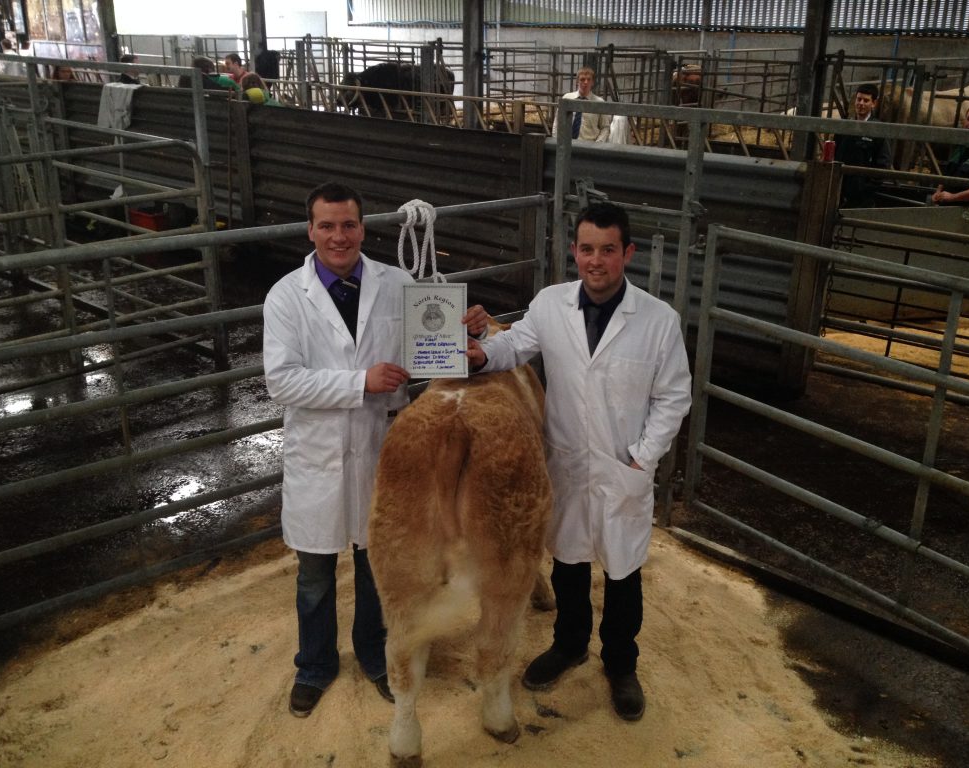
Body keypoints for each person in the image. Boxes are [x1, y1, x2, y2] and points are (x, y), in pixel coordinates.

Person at [263, 182, 488, 718]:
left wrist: (466, 334)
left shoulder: (399, 283)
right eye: (327, 226)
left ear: (363, 228)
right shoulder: (285, 297)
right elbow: (282, 382)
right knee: (315, 575)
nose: (339, 236)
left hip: (383, 452)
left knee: (376, 565)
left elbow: (430, 354)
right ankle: (314, 666)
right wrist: (359, 382)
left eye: (349, 225)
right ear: (310, 230)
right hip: (318, 458)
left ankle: (374, 656)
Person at [465, 201, 692, 722]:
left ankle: (620, 664)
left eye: (608, 250)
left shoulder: (659, 321)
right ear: (574, 252)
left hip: (622, 467)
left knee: (622, 572)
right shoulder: (549, 305)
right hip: (567, 464)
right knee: (567, 563)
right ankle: (569, 645)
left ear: (627, 253)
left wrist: (641, 459)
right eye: (587, 249)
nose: (596, 261)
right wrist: (479, 349)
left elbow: (674, 397)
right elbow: (513, 348)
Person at [833, 83, 892, 207]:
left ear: (873, 103)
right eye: (859, 99)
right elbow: (834, 155)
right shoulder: (845, 127)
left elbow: (883, 164)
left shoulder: (878, 130)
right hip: (839, 190)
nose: (861, 103)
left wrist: (866, 188)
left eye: (866, 100)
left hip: (861, 196)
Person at [552, 66, 612, 142]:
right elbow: (557, 122)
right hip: (566, 145)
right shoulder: (566, 99)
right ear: (577, 81)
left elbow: (605, 127)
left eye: (589, 80)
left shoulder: (599, 103)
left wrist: (598, 145)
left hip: (589, 147)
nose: (585, 82)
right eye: (582, 79)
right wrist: (556, 142)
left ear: (592, 82)